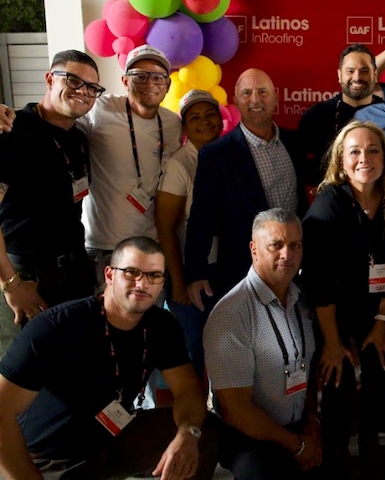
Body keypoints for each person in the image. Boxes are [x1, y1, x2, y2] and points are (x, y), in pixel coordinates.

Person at [0, 236, 219, 479]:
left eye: (154, 275)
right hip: (54, 458)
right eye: (131, 272)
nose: (142, 283)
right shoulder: (55, 327)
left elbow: (187, 389)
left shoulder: (161, 325)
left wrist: (187, 434)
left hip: (113, 438)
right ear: (109, 275)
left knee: (205, 431)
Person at [301, 120, 385, 477]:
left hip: (378, 311)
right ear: (341, 160)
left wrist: (382, 324)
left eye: (373, 150)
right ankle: (336, 454)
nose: (364, 158)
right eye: (354, 151)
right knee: (337, 379)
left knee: (382, 370)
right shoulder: (328, 206)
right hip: (334, 314)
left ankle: (373, 442)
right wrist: (331, 341)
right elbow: (318, 281)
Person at [203, 208, 322, 479]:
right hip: (248, 436)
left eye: (295, 246)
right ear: (254, 249)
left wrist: (312, 424)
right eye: (276, 246)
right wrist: (298, 445)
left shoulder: (302, 300)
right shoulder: (231, 315)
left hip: (298, 425)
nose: (287, 255)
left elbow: (308, 369)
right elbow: (236, 411)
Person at [0, 50, 101, 358]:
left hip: (74, 272)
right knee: (20, 370)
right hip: (26, 274)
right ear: (49, 78)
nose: (82, 91)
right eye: (72, 80)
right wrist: (12, 285)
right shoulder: (11, 131)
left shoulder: (80, 138)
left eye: (92, 87)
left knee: (72, 366)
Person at [184, 68, 306, 312]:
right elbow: (202, 217)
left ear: (276, 97)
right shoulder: (216, 155)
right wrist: (195, 273)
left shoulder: (295, 143)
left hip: (296, 267)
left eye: (262, 92)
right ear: (236, 100)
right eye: (247, 93)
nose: (255, 100)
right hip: (243, 272)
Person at [77, 45, 183, 287]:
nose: (150, 83)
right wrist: (14, 116)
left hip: (151, 247)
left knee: (147, 322)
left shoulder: (172, 123)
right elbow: (58, 119)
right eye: (140, 76)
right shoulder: (100, 109)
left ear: (167, 85)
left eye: (158, 77)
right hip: (105, 248)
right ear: (125, 81)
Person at [155, 89, 223, 379]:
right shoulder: (179, 165)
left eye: (210, 114)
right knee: (193, 352)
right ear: (184, 127)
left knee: (224, 349)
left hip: (226, 271)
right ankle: (193, 420)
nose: (204, 122)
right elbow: (165, 228)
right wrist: (179, 283)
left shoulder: (227, 156)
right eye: (195, 117)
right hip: (191, 275)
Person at [295, 44, 383, 194]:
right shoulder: (316, 116)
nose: (357, 77)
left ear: (375, 74)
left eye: (364, 71)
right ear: (339, 75)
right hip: (333, 203)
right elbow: (298, 165)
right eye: (350, 71)